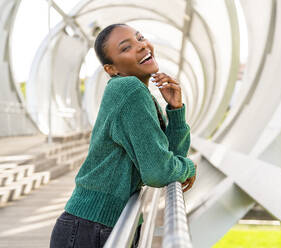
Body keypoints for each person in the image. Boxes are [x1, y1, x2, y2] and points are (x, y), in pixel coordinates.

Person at [49, 23, 197, 248]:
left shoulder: (142, 95)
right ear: (112, 69)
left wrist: (175, 110)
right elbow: (158, 171)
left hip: (100, 224)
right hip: (91, 228)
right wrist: (189, 167)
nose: (141, 46)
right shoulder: (129, 89)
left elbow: (168, 157)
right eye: (126, 48)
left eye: (140, 38)